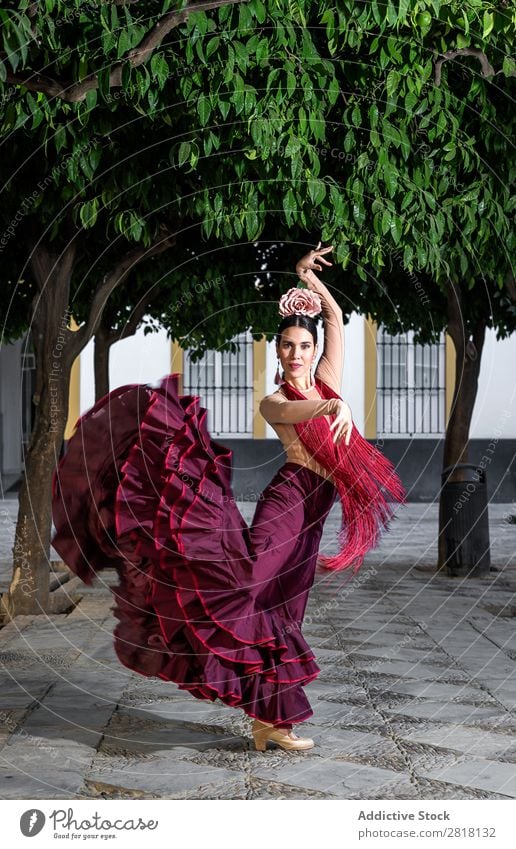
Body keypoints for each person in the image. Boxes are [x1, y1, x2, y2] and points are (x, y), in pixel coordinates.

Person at [51, 242, 405, 753]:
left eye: (303, 346)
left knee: (284, 607)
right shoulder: (277, 399)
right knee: (246, 585)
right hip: (289, 499)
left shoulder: (327, 380)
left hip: (315, 512)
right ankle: (183, 620)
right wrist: (329, 414)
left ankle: (270, 723)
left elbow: (336, 316)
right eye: (287, 346)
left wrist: (308, 277)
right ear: (279, 352)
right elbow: (294, 417)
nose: (296, 353)